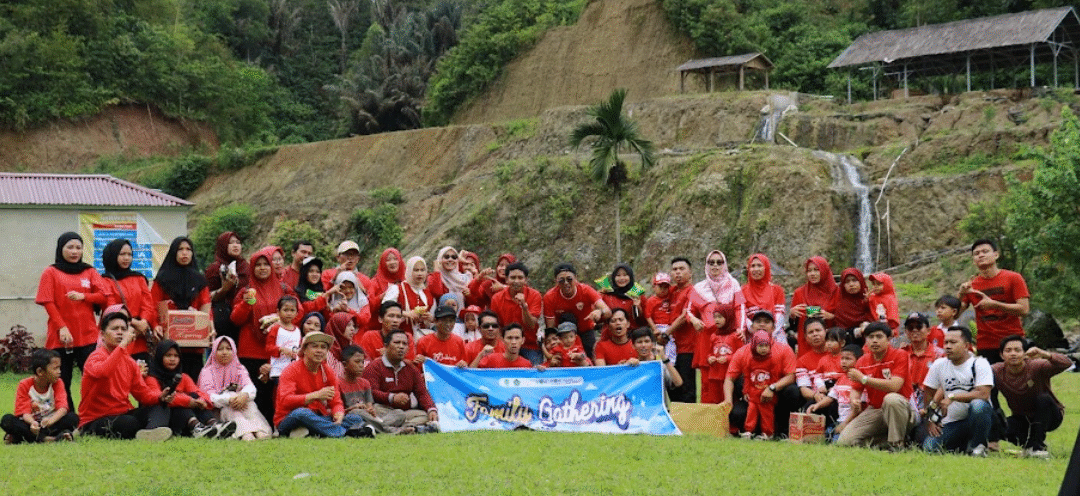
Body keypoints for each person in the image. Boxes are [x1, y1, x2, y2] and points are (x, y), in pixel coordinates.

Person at [36, 232, 112, 409]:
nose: (74, 251)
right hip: (60, 336)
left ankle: (95, 413)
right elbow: (48, 301)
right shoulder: (51, 272)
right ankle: (67, 416)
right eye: (69, 247)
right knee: (62, 379)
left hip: (87, 335)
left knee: (94, 376)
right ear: (60, 249)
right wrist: (62, 327)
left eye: (78, 247)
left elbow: (104, 296)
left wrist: (84, 296)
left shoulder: (89, 271)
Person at [78, 311, 174, 440]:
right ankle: (144, 432)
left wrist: (160, 397)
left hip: (122, 413)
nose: (120, 332)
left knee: (161, 407)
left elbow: (143, 394)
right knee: (128, 423)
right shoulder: (95, 357)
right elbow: (104, 372)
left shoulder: (129, 362)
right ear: (102, 335)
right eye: (114, 329)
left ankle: (151, 432)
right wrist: (123, 345)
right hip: (95, 419)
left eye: (123, 329)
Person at [275, 331, 373, 438]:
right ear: (304, 350)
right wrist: (316, 395)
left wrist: (338, 413)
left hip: (318, 417)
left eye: (323, 347)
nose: (319, 351)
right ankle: (346, 433)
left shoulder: (328, 371)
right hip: (289, 418)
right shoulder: (291, 370)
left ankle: (313, 432)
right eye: (315, 346)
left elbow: (336, 401)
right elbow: (285, 400)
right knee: (302, 413)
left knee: (355, 418)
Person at [836, 322, 914, 449]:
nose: (874, 341)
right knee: (844, 442)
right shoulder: (862, 360)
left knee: (891, 399)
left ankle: (896, 445)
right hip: (876, 409)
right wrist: (854, 400)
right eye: (870, 337)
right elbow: (856, 388)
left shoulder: (900, 355)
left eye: (879, 337)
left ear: (889, 339)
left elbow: (894, 386)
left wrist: (864, 379)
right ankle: (887, 442)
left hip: (903, 408)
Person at [993, 335, 1072, 458]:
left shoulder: (1036, 366)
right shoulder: (996, 371)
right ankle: (1031, 446)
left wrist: (1044, 354)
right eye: (1008, 351)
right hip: (1022, 419)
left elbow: (1067, 363)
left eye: (1017, 350)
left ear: (1025, 353)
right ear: (1002, 355)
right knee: (999, 427)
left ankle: (1036, 447)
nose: (1013, 354)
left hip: (1050, 415)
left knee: (1044, 398)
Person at [921, 326, 993, 455]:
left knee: (978, 405)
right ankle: (963, 446)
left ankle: (979, 447)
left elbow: (983, 394)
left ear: (966, 345)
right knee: (929, 448)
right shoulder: (939, 364)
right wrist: (930, 419)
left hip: (978, 418)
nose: (948, 346)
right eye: (946, 342)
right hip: (952, 422)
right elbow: (929, 393)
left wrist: (953, 397)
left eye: (953, 343)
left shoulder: (980, 363)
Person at [687, 251, 747, 404]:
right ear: (706, 265)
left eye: (719, 262)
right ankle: (709, 421)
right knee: (707, 382)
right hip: (706, 339)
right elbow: (689, 311)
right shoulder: (698, 287)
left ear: (725, 264)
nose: (715, 265)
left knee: (729, 376)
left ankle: (730, 421)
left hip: (729, 338)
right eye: (711, 262)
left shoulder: (733, 284)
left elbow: (740, 308)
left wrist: (740, 329)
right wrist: (694, 321)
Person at [144, 339, 235, 438]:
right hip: (166, 418)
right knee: (181, 405)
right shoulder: (152, 378)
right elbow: (159, 397)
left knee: (195, 398)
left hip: (185, 418)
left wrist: (201, 400)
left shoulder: (183, 377)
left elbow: (198, 392)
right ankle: (197, 427)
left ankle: (213, 425)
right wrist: (188, 401)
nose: (172, 359)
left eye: (176, 356)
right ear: (160, 357)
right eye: (168, 355)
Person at [958, 238, 1030, 363]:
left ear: (996, 255)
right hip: (985, 345)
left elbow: (1024, 309)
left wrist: (994, 304)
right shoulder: (971, 285)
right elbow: (955, 314)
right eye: (976, 253)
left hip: (1012, 342)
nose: (981, 255)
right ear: (974, 260)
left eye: (985, 251)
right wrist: (960, 294)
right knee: (988, 382)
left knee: (1015, 381)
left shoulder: (1013, 278)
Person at [151, 236, 213, 380]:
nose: (185, 253)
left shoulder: (200, 280)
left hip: (194, 345)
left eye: (188, 249)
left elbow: (206, 308)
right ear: (173, 252)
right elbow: (153, 305)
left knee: (192, 384)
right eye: (180, 249)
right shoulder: (162, 279)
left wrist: (210, 327)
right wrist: (155, 325)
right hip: (169, 347)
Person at [722, 329, 796, 439]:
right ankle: (748, 431)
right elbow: (745, 377)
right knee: (751, 412)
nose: (763, 349)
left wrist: (771, 389)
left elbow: (776, 376)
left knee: (767, 413)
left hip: (768, 394)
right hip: (753, 393)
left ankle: (768, 433)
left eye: (766, 346)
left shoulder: (774, 358)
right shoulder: (748, 358)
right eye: (760, 346)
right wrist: (744, 392)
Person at [362, 329, 440, 434]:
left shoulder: (411, 368)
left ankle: (390, 428)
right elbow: (372, 392)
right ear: (386, 346)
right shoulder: (374, 366)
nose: (401, 346)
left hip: (406, 412)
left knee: (425, 416)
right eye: (397, 343)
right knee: (385, 412)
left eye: (405, 344)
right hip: (383, 409)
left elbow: (422, 392)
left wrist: (431, 409)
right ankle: (406, 428)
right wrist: (392, 398)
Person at [198, 336, 272, 441]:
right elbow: (208, 396)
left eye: (229, 349)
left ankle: (258, 431)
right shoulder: (207, 371)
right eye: (220, 349)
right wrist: (229, 399)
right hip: (218, 411)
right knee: (230, 406)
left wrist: (244, 395)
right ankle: (246, 433)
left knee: (249, 403)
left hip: (242, 408)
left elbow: (250, 386)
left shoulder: (239, 368)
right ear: (214, 351)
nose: (224, 352)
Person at [1, 349, 79, 443]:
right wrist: (32, 423)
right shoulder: (24, 385)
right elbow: (25, 413)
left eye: (59, 368)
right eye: (55, 368)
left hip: (50, 423)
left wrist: (50, 421)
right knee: (7, 420)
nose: (59, 372)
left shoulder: (58, 383)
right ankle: (50, 439)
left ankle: (21, 437)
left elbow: (62, 409)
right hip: (30, 425)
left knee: (73, 418)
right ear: (40, 371)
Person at [101, 238, 155, 362]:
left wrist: (144, 322)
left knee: (143, 373)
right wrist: (136, 324)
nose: (127, 258)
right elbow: (112, 308)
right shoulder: (105, 280)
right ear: (113, 255)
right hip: (118, 333)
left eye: (129, 254)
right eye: (122, 254)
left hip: (140, 338)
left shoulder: (139, 278)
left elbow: (148, 304)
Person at [543, 263, 610, 361]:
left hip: (585, 330)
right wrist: (553, 344)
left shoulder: (586, 290)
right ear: (556, 281)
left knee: (589, 358)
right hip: (563, 332)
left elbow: (607, 311)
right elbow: (550, 328)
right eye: (561, 280)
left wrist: (599, 311)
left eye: (569, 279)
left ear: (576, 278)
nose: (566, 283)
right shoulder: (549, 297)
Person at [489, 262, 543, 363]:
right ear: (506, 280)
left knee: (535, 374)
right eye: (513, 278)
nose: (516, 281)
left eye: (520, 278)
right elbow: (497, 327)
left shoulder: (535, 295)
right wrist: (502, 346)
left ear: (526, 280)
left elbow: (531, 325)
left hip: (529, 345)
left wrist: (524, 306)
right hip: (506, 345)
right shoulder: (497, 298)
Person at [807, 344, 863, 440]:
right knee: (826, 437)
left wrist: (845, 423)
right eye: (842, 358)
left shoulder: (861, 380)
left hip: (854, 421)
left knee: (838, 441)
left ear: (859, 360)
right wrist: (817, 405)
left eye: (848, 359)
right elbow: (830, 398)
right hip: (840, 420)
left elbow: (859, 409)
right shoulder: (841, 379)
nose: (844, 362)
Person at [790, 256, 838, 357]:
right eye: (809, 271)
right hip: (806, 344)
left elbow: (845, 319)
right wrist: (792, 314)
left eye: (816, 270)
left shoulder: (836, 292)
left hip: (830, 343)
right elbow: (793, 325)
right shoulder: (799, 293)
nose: (812, 274)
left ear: (824, 270)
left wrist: (832, 316)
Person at [205, 231, 249, 344]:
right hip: (222, 322)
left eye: (238, 242)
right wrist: (224, 289)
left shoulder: (246, 267)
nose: (235, 245)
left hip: (244, 320)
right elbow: (206, 298)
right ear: (223, 245)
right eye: (231, 243)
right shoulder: (214, 269)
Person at [382, 256, 435, 339]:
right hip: (400, 335)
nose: (419, 273)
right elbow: (385, 307)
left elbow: (433, 315)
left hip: (422, 335)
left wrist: (430, 318)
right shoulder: (398, 289)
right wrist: (407, 314)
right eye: (416, 270)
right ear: (409, 271)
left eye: (422, 270)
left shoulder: (427, 293)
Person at [901, 312, 944, 413]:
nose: (915, 330)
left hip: (933, 403)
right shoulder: (901, 354)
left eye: (919, 326)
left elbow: (944, 385)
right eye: (910, 328)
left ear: (929, 331)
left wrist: (930, 407)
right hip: (905, 403)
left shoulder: (940, 355)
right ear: (906, 332)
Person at [741, 253, 786, 340]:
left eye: (759, 265)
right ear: (748, 269)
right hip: (752, 335)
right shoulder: (740, 291)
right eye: (752, 266)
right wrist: (755, 331)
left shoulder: (777, 290)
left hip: (774, 334)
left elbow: (780, 315)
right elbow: (741, 314)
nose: (756, 269)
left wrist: (771, 332)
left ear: (766, 268)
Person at [595, 263, 647, 333]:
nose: (622, 278)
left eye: (625, 275)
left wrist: (638, 307)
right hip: (610, 334)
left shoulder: (637, 295)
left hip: (632, 335)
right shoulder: (606, 294)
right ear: (613, 277)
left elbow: (644, 322)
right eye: (618, 275)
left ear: (630, 277)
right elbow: (597, 319)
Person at [830, 268, 875, 345]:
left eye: (854, 280)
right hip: (847, 345)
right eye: (847, 282)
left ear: (861, 281)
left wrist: (868, 303)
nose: (851, 284)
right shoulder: (839, 303)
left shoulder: (872, 299)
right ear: (843, 285)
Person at [795, 318, 831, 411]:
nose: (815, 334)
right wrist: (816, 395)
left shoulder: (839, 354)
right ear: (806, 338)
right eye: (811, 332)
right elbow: (804, 389)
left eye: (818, 330)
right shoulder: (802, 361)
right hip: (817, 397)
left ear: (826, 332)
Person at [265, 296, 302, 384]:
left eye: (292, 310)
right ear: (278, 312)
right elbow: (268, 348)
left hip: (294, 371)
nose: (289, 313)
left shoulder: (297, 330)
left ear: (297, 313)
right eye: (286, 310)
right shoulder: (275, 328)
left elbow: (299, 348)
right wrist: (281, 349)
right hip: (278, 370)